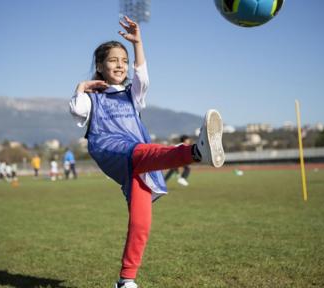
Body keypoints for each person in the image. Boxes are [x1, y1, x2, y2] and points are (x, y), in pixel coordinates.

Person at [69, 16, 225, 288]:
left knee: (141, 224)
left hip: (139, 158)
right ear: (99, 66)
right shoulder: (92, 98)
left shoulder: (133, 95)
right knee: (142, 151)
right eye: (113, 60)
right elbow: (77, 110)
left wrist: (138, 43)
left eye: (124, 60)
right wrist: (82, 86)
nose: (120, 64)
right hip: (111, 149)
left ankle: (125, 281)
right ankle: (196, 153)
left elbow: (143, 77)